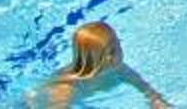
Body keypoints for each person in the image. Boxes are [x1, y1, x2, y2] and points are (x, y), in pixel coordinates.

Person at [30, 21, 166, 107]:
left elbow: (141, 85)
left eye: (118, 42)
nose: (121, 47)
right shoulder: (67, 87)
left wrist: (155, 99)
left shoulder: (117, 67)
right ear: (107, 58)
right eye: (117, 46)